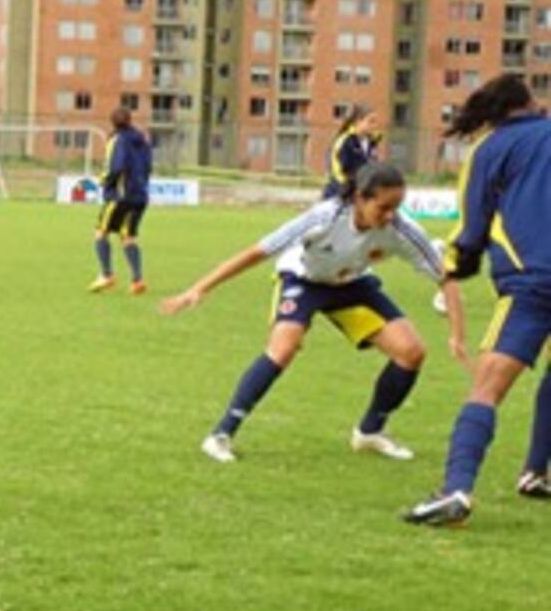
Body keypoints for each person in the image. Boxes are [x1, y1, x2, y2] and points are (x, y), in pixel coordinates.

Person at [161, 161, 465, 465]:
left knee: (411, 352)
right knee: (284, 347)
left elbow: (446, 278)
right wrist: (198, 289)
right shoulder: (325, 217)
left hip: (351, 284)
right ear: (360, 197)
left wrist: (457, 335)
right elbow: (258, 252)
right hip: (303, 280)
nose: (390, 216)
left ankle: (370, 431)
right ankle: (221, 434)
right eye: (383, 207)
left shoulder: (401, 230)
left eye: (396, 207)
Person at [406, 74, 551, 526]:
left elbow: (471, 228)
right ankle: (536, 472)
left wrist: (453, 269)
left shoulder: (489, 149)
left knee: (487, 387)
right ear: (528, 102)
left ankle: (456, 490)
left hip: (533, 282)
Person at [88, 107, 152, 295]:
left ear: (112, 122)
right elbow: (148, 167)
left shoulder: (117, 140)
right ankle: (137, 280)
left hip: (120, 196)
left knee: (101, 232)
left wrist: (104, 180)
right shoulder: (142, 140)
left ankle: (106, 275)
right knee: (128, 236)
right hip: (140, 195)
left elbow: (115, 166)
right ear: (130, 120)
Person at [322, 105, 383, 201]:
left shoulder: (371, 143)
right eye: (371, 121)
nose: (374, 126)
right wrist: (348, 190)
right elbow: (336, 171)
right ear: (358, 122)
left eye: (375, 122)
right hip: (339, 194)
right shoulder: (344, 141)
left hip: (361, 195)